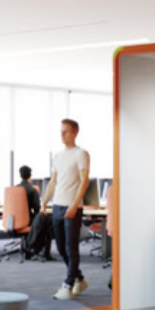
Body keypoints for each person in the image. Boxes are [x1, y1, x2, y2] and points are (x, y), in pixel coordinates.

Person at [48, 119, 92, 298]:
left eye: (65, 131)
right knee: (60, 248)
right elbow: (53, 181)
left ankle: (68, 284)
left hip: (72, 206)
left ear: (74, 133)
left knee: (71, 247)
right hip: (57, 205)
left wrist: (75, 204)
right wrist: (45, 203)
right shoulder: (58, 156)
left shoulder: (81, 154)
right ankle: (79, 278)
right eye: (61, 131)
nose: (62, 134)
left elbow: (85, 181)